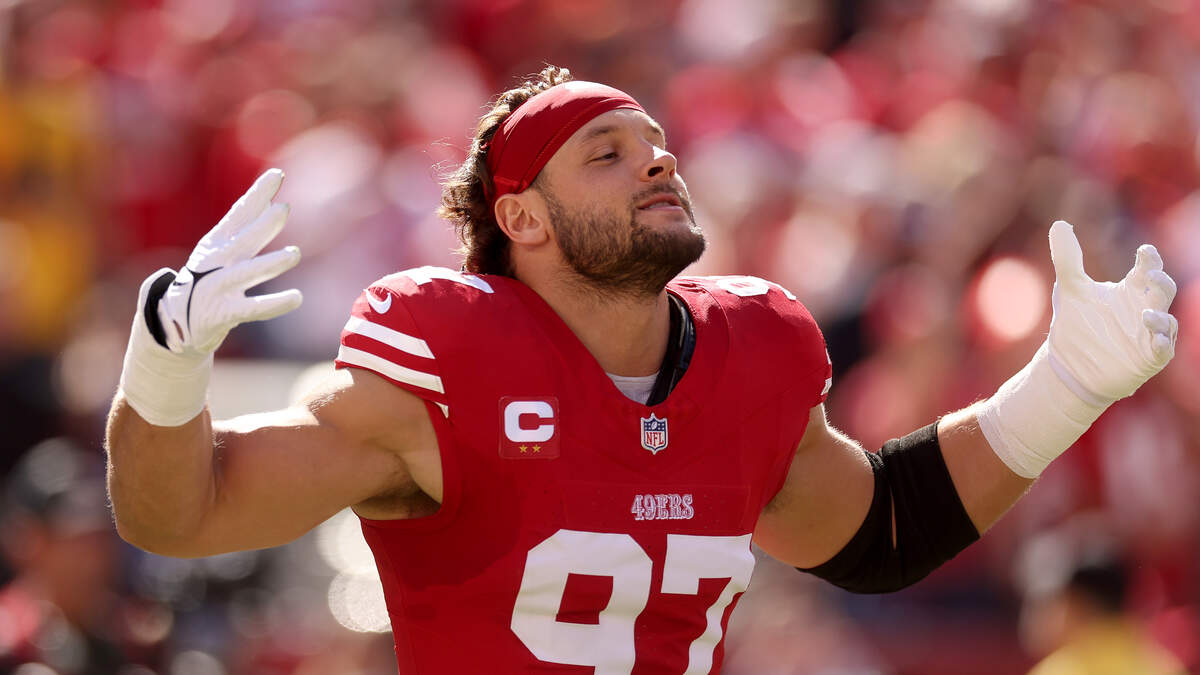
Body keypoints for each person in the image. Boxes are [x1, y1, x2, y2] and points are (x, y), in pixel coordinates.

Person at [105, 66, 1179, 674]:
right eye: (606, 153)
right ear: (523, 217)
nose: (657, 159)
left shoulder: (751, 351)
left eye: (656, 143)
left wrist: (1065, 384)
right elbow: (180, 514)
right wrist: (165, 368)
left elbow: (883, 529)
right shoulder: (443, 359)